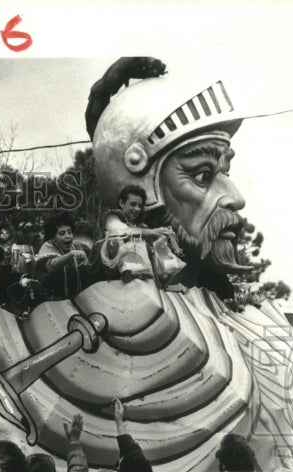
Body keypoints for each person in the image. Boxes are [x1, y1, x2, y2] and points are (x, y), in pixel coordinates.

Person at [88, 57, 252, 301]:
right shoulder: (117, 278)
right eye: (202, 175)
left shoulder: (214, 288)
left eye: (223, 173)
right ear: (145, 184)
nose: (236, 199)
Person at [34, 212, 90, 299]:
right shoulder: (48, 247)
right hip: (55, 303)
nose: (68, 236)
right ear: (53, 237)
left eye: (70, 232)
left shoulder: (78, 246)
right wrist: (70, 254)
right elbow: (52, 266)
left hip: (80, 299)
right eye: (62, 233)